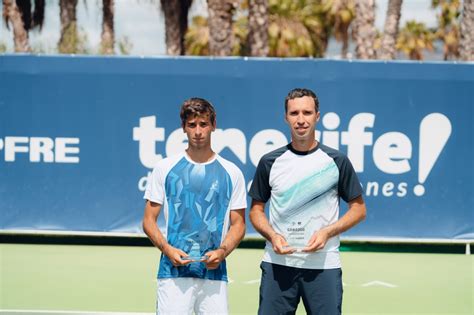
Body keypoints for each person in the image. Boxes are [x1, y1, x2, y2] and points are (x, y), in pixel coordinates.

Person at [249, 88, 367, 314]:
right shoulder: (270, 162)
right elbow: (256, 210)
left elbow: (359, 210)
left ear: (317, 116)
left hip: (324, 266)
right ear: (286, 117)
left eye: (307, 112)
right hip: (278, 265)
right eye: (294, 113)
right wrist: (273, 235)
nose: (301, 120)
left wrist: (327, 232)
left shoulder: (337, 161)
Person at [142, 97, 247, 315]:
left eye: (203, 124)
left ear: (213, 125)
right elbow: (148, 221)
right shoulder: (164, 168)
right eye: (192, 125)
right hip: (173, 274)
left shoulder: (232, 172)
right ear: (183, 128)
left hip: (215, 274)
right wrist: (167, 249)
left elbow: (238, 225)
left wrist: (223, 251)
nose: (198, 131)